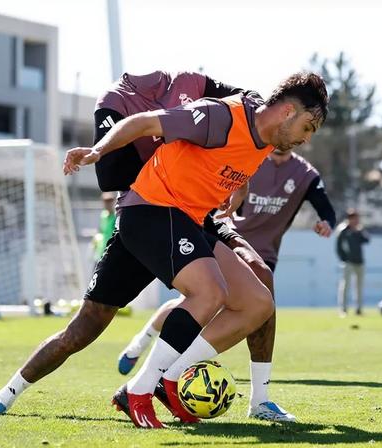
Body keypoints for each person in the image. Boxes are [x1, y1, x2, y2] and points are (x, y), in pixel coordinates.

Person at [0, 72, 328, 429]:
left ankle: (167, 379)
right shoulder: (220, 116)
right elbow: (143, 122)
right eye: (308, 127)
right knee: (89, 326)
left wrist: (240, 184)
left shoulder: (266, 134)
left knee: (258, 303)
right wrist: (98, 150)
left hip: (187, 221)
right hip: (151, 211)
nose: (307, 139)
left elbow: (237, 153)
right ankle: (16, 394)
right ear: (287, 112)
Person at [116, 147, 335, 423]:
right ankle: (142, 349)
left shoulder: (303, 173)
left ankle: (258, 399)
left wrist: (327, 221)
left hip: (263, 251)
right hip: (220, 231)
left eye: (310, 130)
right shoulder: (253, 142)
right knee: (202, 299)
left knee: (260, 298)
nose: (305, 135)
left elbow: (324, 203)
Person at [335, 209, 370, 316]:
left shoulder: (359, 230)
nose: (355, 220)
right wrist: (343, 258)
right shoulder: (343, 230)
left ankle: (358, 309)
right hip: (348, 262)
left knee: (359, 286)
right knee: (345, 285)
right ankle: (343, 309)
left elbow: (366, 240)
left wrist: (360, 230)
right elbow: (338, 246)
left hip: (359, 261)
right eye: (353, 218)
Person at [91, 192, 117, 262]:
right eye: (105, 201)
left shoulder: (116, 217)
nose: (107, 204)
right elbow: (101, 231)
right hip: (101, 252)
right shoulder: (103, 215)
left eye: (109, 201)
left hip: (111, 253)